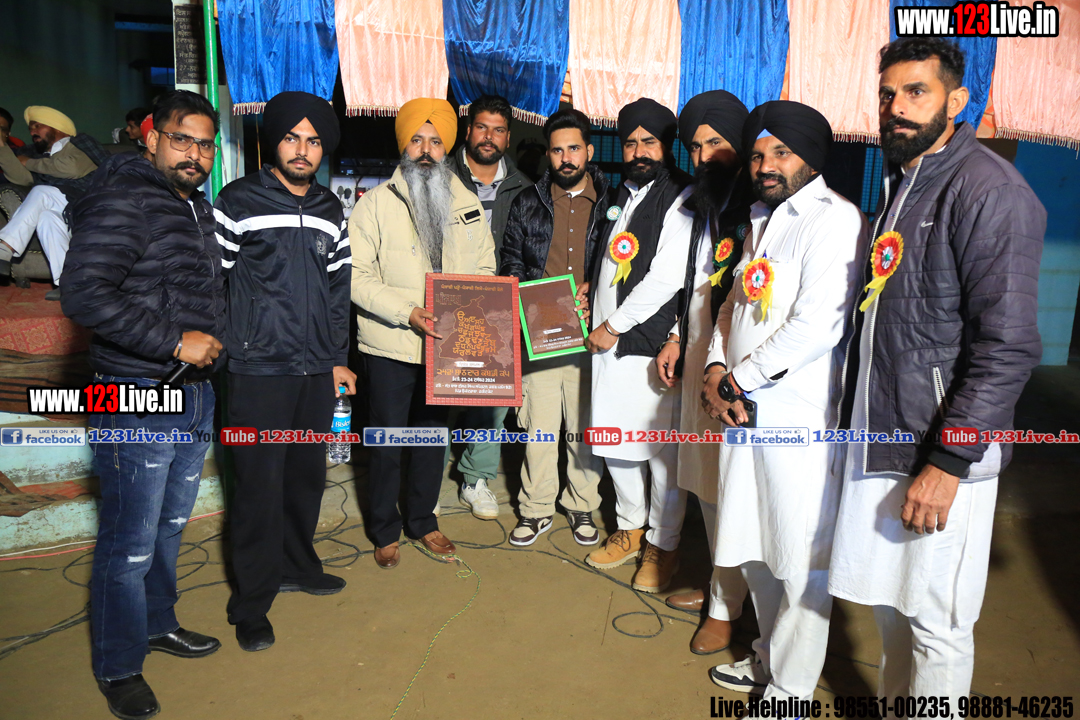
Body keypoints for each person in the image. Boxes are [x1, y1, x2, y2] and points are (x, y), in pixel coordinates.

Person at [828, 38, 1045, 705]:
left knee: (938, 623)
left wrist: (949, 461)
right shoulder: (906, 185)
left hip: (942, 449)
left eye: (916, 92)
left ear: (957, 101)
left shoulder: (988, 190)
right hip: (889, 434)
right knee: (895, 607)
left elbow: (1008, 344)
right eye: (887, 93)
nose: (896, 107)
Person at [61, 89, 225, 720]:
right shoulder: (122, 198)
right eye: (182, 139)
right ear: (151, 138)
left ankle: (158, 624)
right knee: (127, 543)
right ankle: (118, 665)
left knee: (168, 527)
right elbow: (84, 294)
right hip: (133, 394)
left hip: (190, 392)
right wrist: (174, 341)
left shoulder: (191, 205)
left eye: (205, 144)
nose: (195, 154)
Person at [700, 101, 866, 699]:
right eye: (757, 155)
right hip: (743, 411)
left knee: (798, 560)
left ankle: (790, 695)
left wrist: (735, 379)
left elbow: (819, 325)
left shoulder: (834, 219)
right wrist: (716, 364)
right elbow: (731, 306)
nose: (765, 165)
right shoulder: (761, 219)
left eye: (781, 152)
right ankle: (769, 660)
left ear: (811, 157)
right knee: (753, 544)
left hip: (797, 420)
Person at [214, 91, 355, 652]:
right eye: (292, 138)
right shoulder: (237, 201)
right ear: (274, 142)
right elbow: (213, 283)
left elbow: (338, 290)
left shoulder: (330, 209)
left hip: (316, 370)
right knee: (256, 487)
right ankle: (250, 603)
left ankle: (299, 565)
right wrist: (229, 349)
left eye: (313, 141)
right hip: (256, 370)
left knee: (304, 478)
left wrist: (338, 359)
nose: (302, 149)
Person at [349, 98, 496, 569]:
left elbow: (487, 268)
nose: (426, 150)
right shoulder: (374, 204)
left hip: (447, 348)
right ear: (404, 146)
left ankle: (422, 521)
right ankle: (384, 529)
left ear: (447, 147)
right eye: (417, 140)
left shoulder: (467, 202)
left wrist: (472, 311)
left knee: (432, 440)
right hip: (390, 344)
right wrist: (406, 311)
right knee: (388, 442)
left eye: (435, 141)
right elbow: (355, 276)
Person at [656, 90, 753, 654]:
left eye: (715, 142)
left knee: (732, 488)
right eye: (694, 146)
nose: (703, 155)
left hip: (739, 368)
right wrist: (676, 337)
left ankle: (728, 609)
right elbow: (693, 283)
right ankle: (722, 590)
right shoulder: (704, 203)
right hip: (698, 354)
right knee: (706, 484)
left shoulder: (758, 206)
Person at [583, 98, 691, 594]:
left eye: (649, 142)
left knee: (659, 451)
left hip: (647, 343)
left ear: (666, 146)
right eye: (630, 143)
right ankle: (629, 528)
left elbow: (667, 276)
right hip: (607, 343)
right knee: (615, 440)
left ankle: (662, 544)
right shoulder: (621, 193)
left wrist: (614, 324)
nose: (638, 151)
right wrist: (594, 289)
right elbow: (612, 258)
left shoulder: (681, 196)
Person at [500, 108, 609, 547]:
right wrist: (529, 298)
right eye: (558, 150)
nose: (566, 158)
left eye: (574, 149)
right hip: (540, 333)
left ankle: (581, 505)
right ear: (549, 153)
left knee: (583, 429)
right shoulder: (527, 202)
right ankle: (536, 508)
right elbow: (510, 259)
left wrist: (596, 286)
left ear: (589, 151)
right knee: (540, 430)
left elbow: (629, 263)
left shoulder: (613, 203)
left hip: (592, 336)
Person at [448, 94, 533, 520]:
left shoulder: (524, 187)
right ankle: (426, 480)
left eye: (498, 130)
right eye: (482, 127)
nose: (489, 137)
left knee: (492, 401)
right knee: (441, 396)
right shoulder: (442, 177)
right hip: (447, 303)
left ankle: (475, 478)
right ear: (468, 130)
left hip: (499, 309)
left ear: (508, 138)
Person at [0, 106, 100, 298]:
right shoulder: (38, 155)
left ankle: (5, 246)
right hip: (64, 209)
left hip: (88, 203)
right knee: (46, 218)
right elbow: (22, 179)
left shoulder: (79, 143)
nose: (32, 132)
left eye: (37, 126)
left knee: (41, 191)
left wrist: (29, 162)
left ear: (56, 126)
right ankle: (68, 284)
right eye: (30, 128)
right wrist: (2, 147)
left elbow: (72, 168)